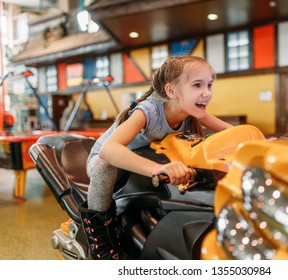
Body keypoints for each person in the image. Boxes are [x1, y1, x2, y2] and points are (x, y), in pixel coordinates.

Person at [79, 55, 232, 260]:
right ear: (171, 91)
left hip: (146, 159)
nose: (206, 93)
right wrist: (156, 169)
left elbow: (231, 134)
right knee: (104, 165)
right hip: (111, 161)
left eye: (209, 85)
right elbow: (109, 150)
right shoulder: (149, 111)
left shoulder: (193, 113)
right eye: (197, 85)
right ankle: (100, 240)